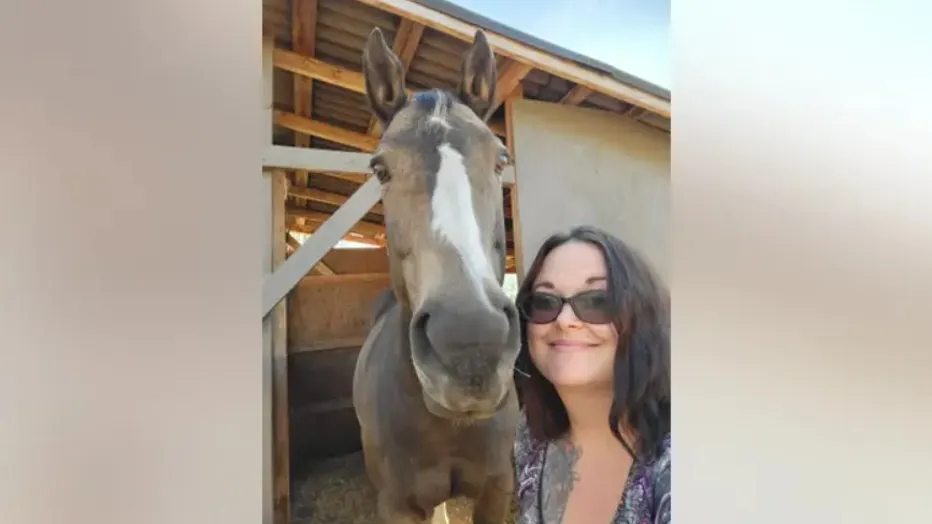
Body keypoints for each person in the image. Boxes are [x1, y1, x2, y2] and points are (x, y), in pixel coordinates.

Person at [512, 225, 671, 524]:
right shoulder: (530, 439)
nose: (565, 320)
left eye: (596, 301)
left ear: (641, 315)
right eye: (545, 303)